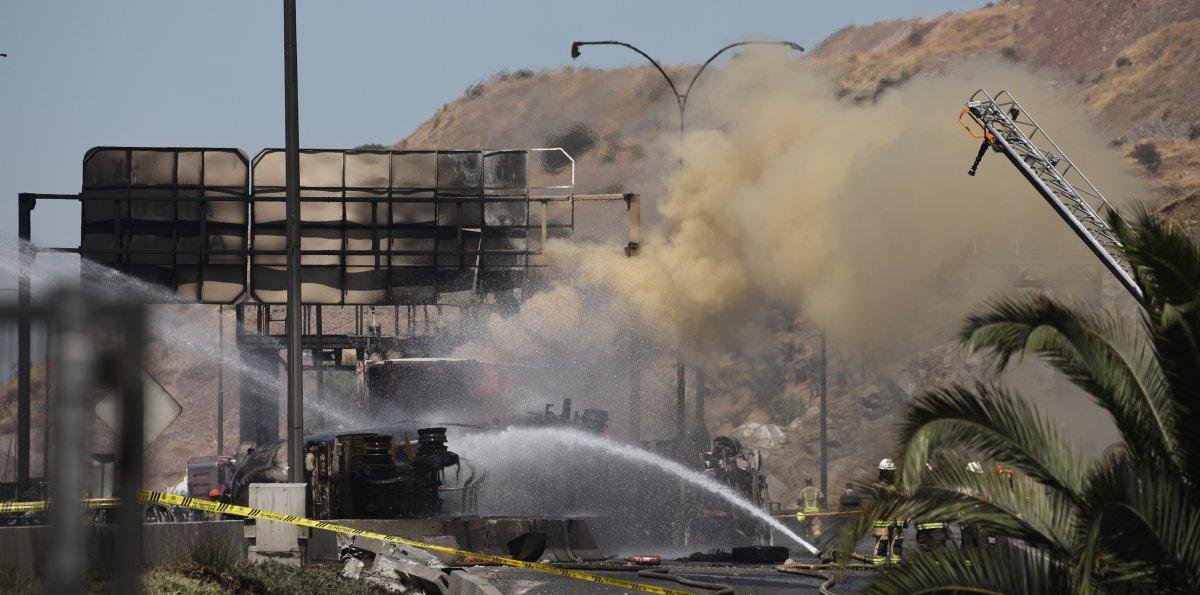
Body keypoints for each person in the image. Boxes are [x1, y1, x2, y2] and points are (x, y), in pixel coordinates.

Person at [871, 458, 906, 565]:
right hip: (882, 520)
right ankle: (879, 565)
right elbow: (882, 496)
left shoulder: (898, 486)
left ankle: (896, 564)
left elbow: (904, 499)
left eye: (890, 472)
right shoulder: (876, 486)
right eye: (886, 472)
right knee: (882, 541)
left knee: (897, 542)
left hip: (896, 520)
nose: (888, 474)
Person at [914, 461, 951, 555]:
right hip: (937, 526)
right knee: (939, 554)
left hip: (922, 526)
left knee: (925, 553)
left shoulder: (917, 488)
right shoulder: (940, 488)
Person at [958, 461, 990, 549]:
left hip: (980, 523)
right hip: (968, 523)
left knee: (982, 549)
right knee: (968, 548)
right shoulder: (963, 487)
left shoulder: (982, 487)